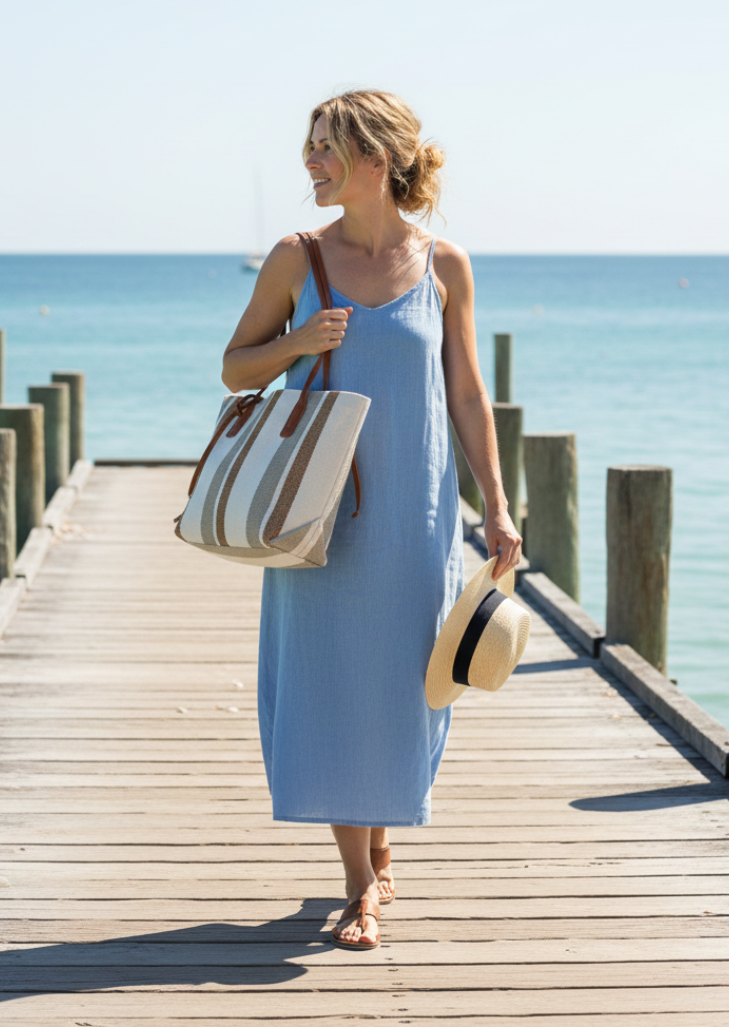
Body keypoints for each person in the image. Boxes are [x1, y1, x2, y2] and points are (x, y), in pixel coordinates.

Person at [221, 90, 521, 949]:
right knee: (331, 684)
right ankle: (360, 883)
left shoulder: (444, 264)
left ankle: (381, 844)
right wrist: (299, 342)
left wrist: (497, 505)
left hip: (415, 512)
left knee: (404, 683)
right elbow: (236, 369)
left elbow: (467, 394)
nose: (310, 162)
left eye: (326, 147)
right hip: (316, 514)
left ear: (377, 159)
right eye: (310, 147)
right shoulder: (297, 258)